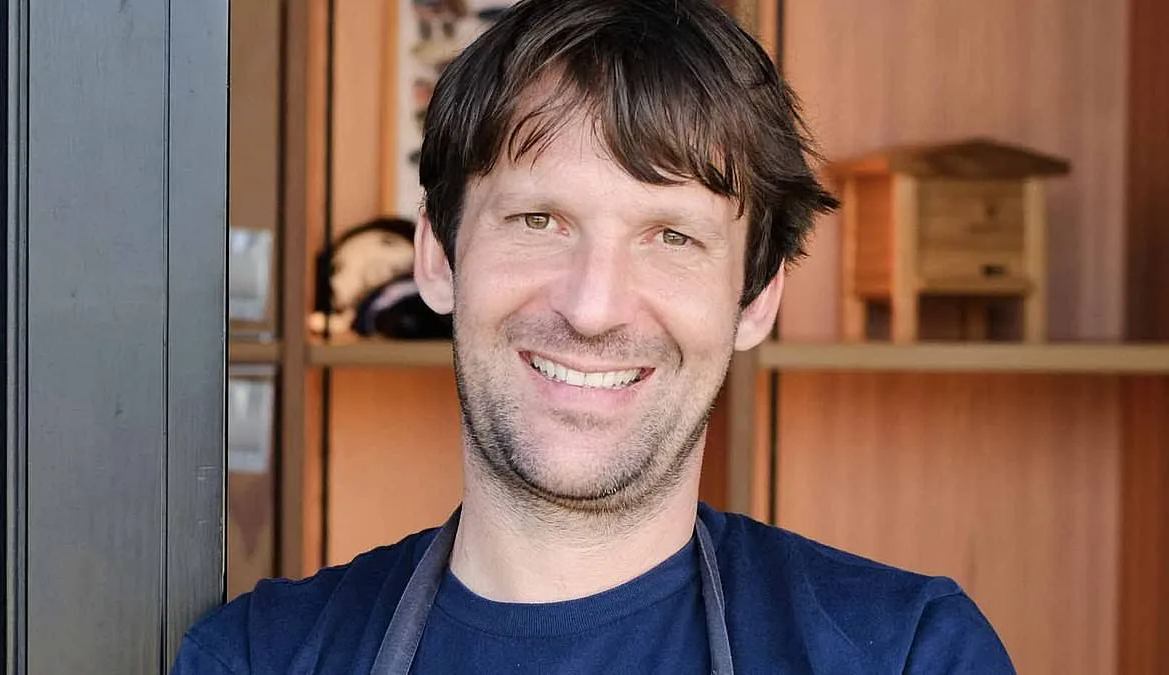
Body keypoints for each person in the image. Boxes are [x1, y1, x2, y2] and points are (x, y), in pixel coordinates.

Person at [173, 0, 1016, 672]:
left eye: (671, 236)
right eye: (539, 220)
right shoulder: (259, 656)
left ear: (756, 300)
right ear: (437, 256)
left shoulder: (907, 653)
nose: (593, 307)